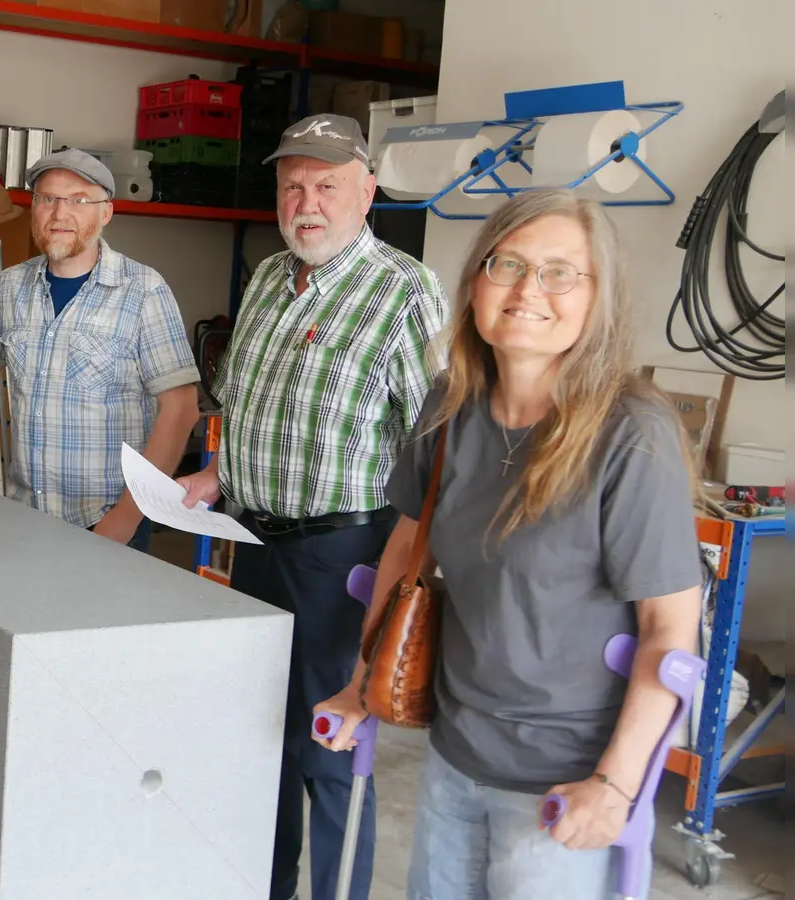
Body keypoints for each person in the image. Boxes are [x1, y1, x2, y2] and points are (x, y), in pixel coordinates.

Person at [313, 188, 703, 899]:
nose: (529, 290)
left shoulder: (628, 435)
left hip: (564, 780)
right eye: (508, 264)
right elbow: (405, 553)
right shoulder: (450, 401)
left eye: (560, 272)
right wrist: (361, 686)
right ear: (475, 284)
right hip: (454, 755)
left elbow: (669, 633)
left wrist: (615, 785)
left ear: (598, 299)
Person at [177, 114, 449, 900]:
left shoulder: (405, 292)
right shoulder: (267, 277)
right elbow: (250, 404)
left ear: (366, 192)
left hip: (346, 557)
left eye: (327, 185)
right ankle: (265, 885)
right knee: (262, 741)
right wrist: (217, 473)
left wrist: (408, 579)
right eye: (293, 185)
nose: (308, 202)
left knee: (328, 744)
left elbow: (434, 451)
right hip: (253, 541)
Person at [0, 148, 201, 550]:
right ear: (34, 208)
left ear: (105, 213)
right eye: (48, 199)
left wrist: (126, 517)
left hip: (106, 519)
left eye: (78, 200)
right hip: (24, 513)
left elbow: (181, 408)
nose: (59, 214)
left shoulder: (143, 291)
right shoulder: (12, 287)